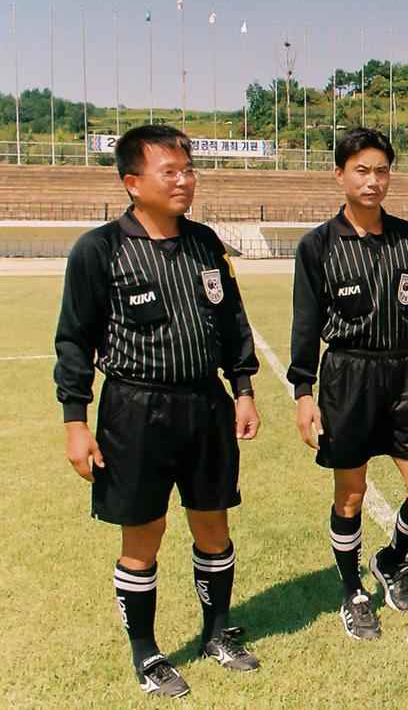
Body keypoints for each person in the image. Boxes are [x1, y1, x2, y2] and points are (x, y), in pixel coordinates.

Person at [54, 125, 262, 698]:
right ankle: (146, 652)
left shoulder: (205, 244)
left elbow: (231, 324)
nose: (183, 180)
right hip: (134, 410)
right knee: (143, 534)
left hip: (205, 406)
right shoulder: (99, 250)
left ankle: (217, 632)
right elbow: (74, 341)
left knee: (213, 527)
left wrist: (242, 389)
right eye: (168, 171)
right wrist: (76, 422)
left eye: (187, 169)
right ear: (131, 182)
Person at [288, 127, 408, 640]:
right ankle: (351, 590)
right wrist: (304, 392)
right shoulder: (318, 245)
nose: (373, 180)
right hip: (347, 377)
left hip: (403, 376)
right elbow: (306, 323)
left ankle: (390, 559)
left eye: (381, 170)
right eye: (361, 170)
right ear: (340, 174)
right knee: (351, 494)